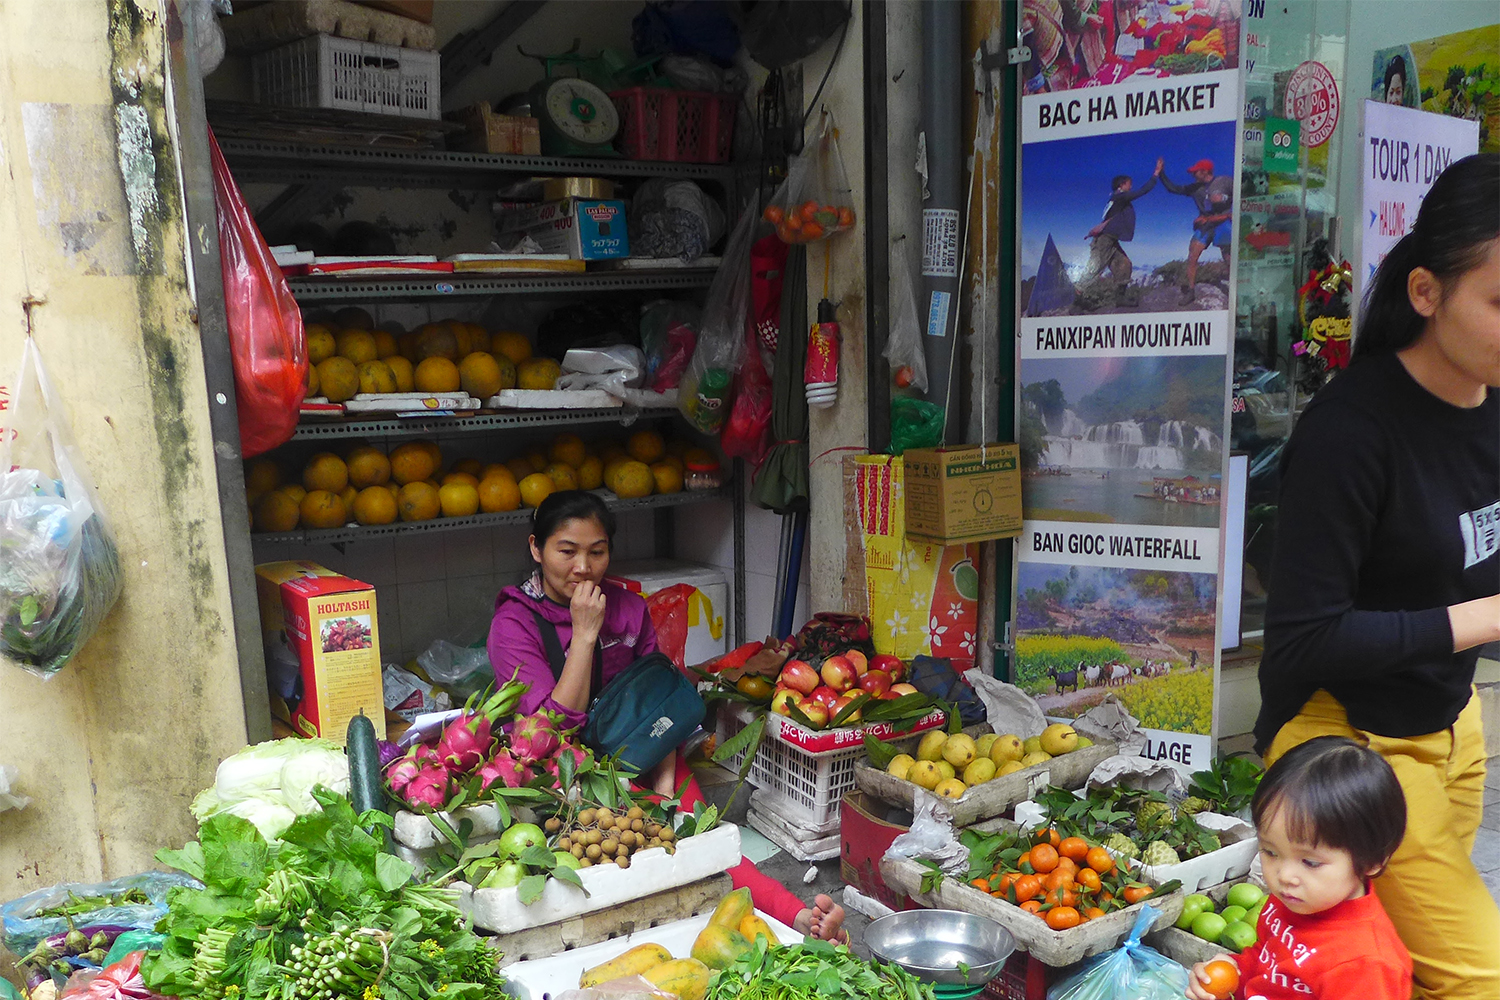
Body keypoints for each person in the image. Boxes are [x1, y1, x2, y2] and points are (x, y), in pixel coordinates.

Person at [1253, 153, 1500, 1000]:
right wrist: (1483, 618)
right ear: (1426, 292)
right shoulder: (1350, 431)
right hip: (1349, 742)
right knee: (1478, 975)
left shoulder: (1492, 397)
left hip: (1449, 720)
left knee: (1393, 957)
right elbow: (1306, 634)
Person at [487, 490, 848, 942]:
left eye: (597, 552)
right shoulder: (514, 624)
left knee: (705, 835)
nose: (583, 567)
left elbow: (660, 704)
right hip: (556, 776)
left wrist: (665, 773)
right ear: (536, 549)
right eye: (567, 551)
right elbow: (549, 732)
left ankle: (797, 916)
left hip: (641, 755)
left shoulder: (628, 609)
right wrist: (583, 635)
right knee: (619, 865)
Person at [1186, 737, 1411, 1000]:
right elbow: (1267, 959)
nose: (1284, 875)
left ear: (1372, 859)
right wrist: (1233, 971)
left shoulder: (1365, 966)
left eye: (1310, 862)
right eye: (1270, 852)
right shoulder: (1294, 901)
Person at [1159, 158, 1233, 303]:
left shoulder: (1224, 181)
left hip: (1223, 223)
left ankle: (1234, 291)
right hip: (1205, 224)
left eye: (1195, 171)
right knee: (1192, 255)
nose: (1193, 174)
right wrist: (1161, 173)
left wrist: (1226, 202)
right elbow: (1172, 188)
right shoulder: (1195, 188)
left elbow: (1241, 195)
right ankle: (1191, 292)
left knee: (1229, 258)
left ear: (1205, 171)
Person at [1082, 157, 1161, 288]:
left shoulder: (1116, 199)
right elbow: (1143, 191)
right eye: (1129, 184)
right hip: (1105, 239)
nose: (1131, 186)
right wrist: (1156, 173)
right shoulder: (1120, 196)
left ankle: (1121, 298)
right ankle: (1075, 295)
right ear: (1122, 185)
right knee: (1095, 268)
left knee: (1124, 265)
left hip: (1111, 239)